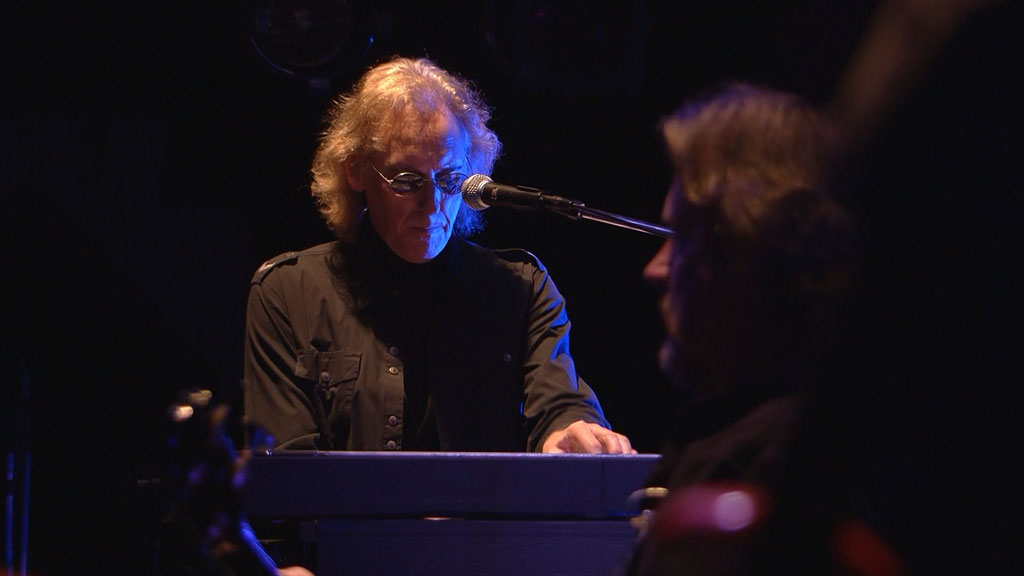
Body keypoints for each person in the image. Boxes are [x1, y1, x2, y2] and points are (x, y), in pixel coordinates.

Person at [243, 55, 633, 454]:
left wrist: (569, 433)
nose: (431, 206)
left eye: (449, 179)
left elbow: (560, 405)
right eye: (406, 181)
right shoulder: (286, 294)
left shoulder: (521, 289)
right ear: (356, 171)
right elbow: (288, 470)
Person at [626, 82, 861, 575]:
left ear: (749, 247)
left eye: (683, 237)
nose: (654, 269)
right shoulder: (744, 437)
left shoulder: (781, 470)